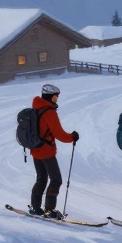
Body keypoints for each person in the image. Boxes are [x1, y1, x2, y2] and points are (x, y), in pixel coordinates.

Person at [28, 83, 79, 220]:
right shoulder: (49, 112)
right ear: (50, 97)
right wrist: (73, 137)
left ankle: (35, 207)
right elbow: (59, 134)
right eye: (55, 97)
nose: (56, 100)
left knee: (41, 179)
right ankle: (49, 210)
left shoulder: (36, 108)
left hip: (35, 149)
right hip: (46, 151)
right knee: (56, 180)